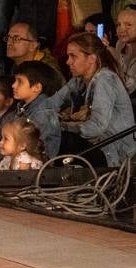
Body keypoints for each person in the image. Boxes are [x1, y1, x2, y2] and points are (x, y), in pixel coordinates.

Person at [52, 32, 136, 167]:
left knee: (63, 139)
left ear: (91, 58)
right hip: (99, 145)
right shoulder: (78, 80)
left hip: (115, 152)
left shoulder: (105, 79)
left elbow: (97, 127)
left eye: (73, 56)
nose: (68, 62)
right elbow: (54, 101)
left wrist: (64, 127)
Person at [11, 60, 64, 159]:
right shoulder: (24, 108)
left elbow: (39, 154)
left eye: (20, 81)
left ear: (37, 87)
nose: (13, 85)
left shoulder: (43, 114)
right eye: (15, 80)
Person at [3, 21, 64, 85]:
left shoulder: (46, 71)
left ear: (33, 45)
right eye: (8, 38)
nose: (9, 43)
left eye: (16, 39)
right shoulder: (16, 66)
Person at [110, 5, 136, 96]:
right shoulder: (120, 44)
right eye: (118, 24)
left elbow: (128, 88)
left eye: (128, 25)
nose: (121, 29)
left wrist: (113, 56)